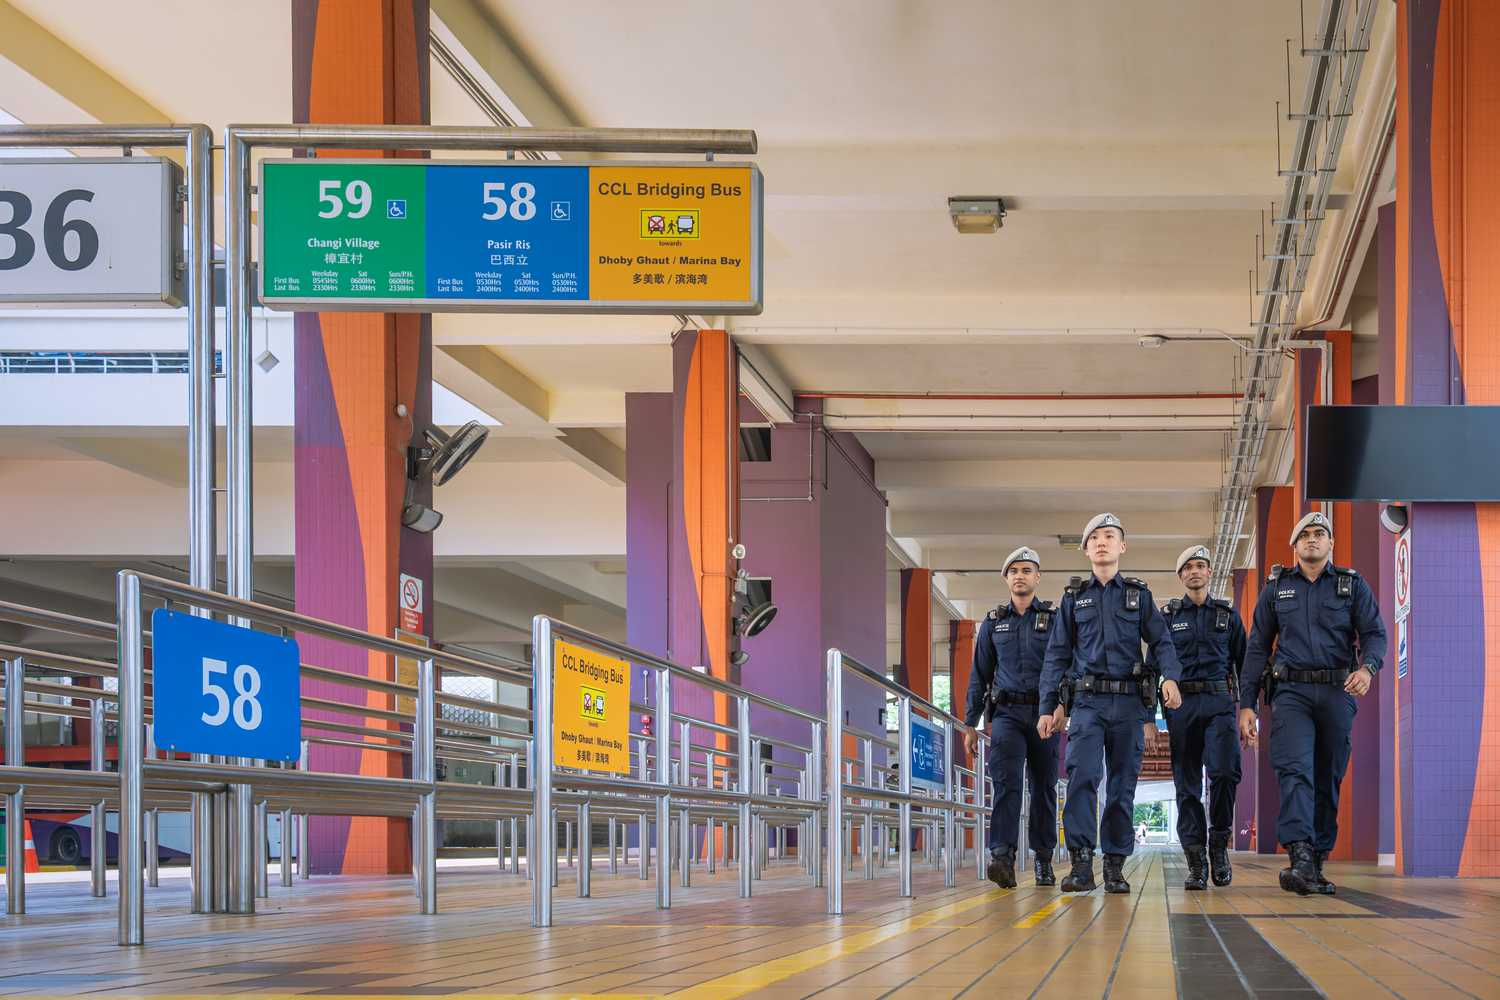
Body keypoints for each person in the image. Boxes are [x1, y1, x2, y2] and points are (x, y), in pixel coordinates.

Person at [1239, 511, 1386, 896]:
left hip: (1338, 693)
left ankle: (1317, 859)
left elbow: (1374, 634)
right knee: (1295, 772)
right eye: (1305, 535)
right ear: (1294, 546)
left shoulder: (1351, 587)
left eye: (1320, 533)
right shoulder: (1276, 590)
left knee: (1328, 774)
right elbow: (1256, 649)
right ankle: (1300, 855)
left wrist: (1368, 669)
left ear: (1331, 543)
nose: (1312, 540)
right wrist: (1247, 704)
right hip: (1291, 695)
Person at [1039, 513, 1183, 894]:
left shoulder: (1139, 596)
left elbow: (1162, 641)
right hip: (1086, 703)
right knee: (1083, 777)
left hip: (1129, 705)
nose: (1101, 542)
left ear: (1122, 546)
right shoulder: (1074, 599)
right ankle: (1082, 864)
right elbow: (1056, 655)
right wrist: (1048, 705)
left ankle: (1116, 865)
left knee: (1122, 785)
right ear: (1086, 549)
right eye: (1094, 538)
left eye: (1109, 536)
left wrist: (1170, 676)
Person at [963, 547, 1061, 889]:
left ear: (1037, 577)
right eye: (1014, 570)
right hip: (1006, 714)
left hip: (1045, 714)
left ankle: (1044, 860)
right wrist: (971, 724)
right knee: (1006, 784)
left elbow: (1067, 665)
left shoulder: (1054, 619)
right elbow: (979, 674)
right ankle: (1002, 857)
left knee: (1044, 787)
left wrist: (1063, 706)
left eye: (1027, 570)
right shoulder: (993, 622)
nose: (1020, 575)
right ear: (1006, 578)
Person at [1160, 544, 1245, 890]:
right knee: (1187, 785)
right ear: (1181, 576)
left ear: (1210, 573)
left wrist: (1249, 709)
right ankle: (1196, 859)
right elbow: (1156, 664)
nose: (1195, 571)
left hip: (1220, 702)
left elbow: (1245, 662)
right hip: (1182, 708)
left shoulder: (1227, 615)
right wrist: (1151, 716)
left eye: (1201, 566)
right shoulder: (1169, 618)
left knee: (1225, 772)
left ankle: (1219, 843)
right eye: (1188, 567)